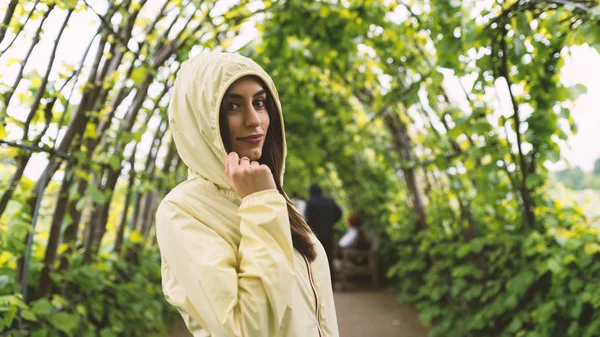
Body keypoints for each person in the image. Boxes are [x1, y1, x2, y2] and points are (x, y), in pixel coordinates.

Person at [155, 52, 339, 337]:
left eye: (260, 102)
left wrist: (264, 199)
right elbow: (247, 329)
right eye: (232, 106)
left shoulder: (270, 195)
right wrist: (260, 205)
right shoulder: (183, 210)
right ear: (201, 120)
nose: (254, 120)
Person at [305, 184, 342, 286]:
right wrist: (331, 222)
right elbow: (339, 213)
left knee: (317, 258)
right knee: (329, 257)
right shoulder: (329, 201)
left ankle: (320, 283)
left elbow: (308, 220)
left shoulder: (310, 203)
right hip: (329, 233)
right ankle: (331, 283)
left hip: (316, 235)